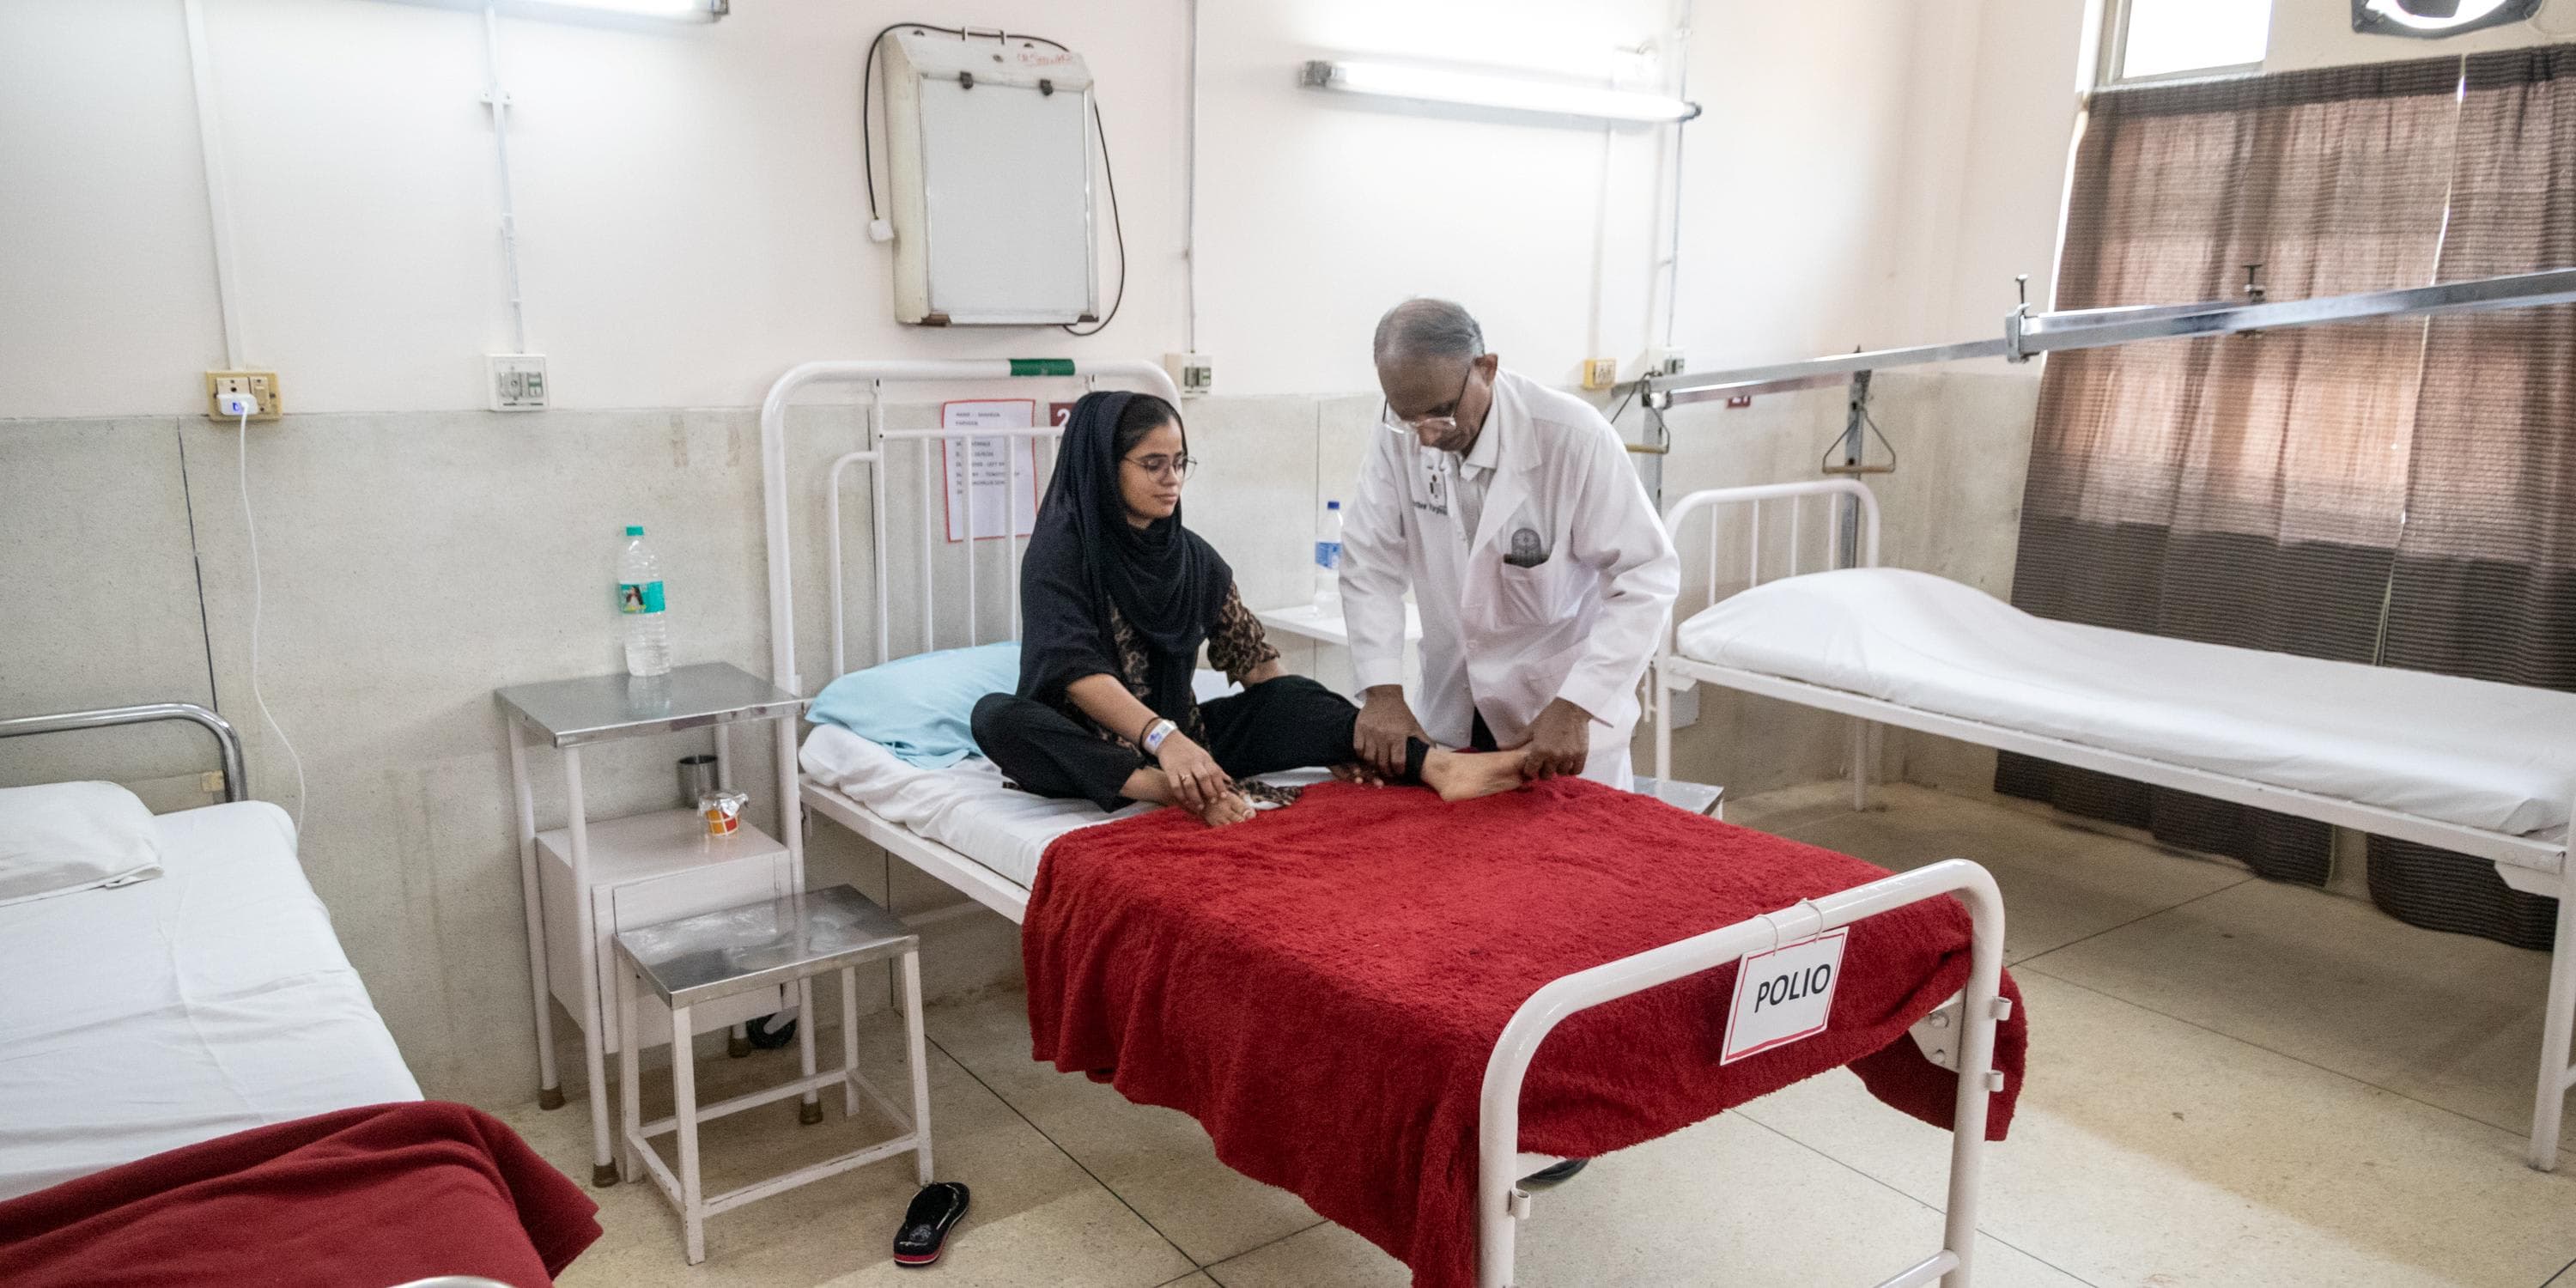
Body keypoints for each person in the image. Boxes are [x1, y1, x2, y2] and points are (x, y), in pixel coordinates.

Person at [971, 391, 1530, 826]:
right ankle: (1164, 790)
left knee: (1296, 695)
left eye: (1181, 461)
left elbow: (1257, 664)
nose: (1174, 480)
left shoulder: (1193, 559)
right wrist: (1168, 747)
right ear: (1103, 467)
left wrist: (1318, 734)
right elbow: (1078, 674)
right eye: (1153, 464)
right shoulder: (1060, 556)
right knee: (997, 718)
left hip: (1192, 741)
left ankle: (1438, 765)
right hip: (1090, 750)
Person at [1341, 299, 1681, 791]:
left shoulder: (1571, 437)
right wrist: (1382, 693)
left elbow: (1646, 577)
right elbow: (1369, 564)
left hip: (1552, 711)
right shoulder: (1402, 431)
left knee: (1569, 859)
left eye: (1442, 413)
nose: (1428, 437)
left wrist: (1578, 704)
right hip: (1450, 707)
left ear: (1486, 368)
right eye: (1407, 417)